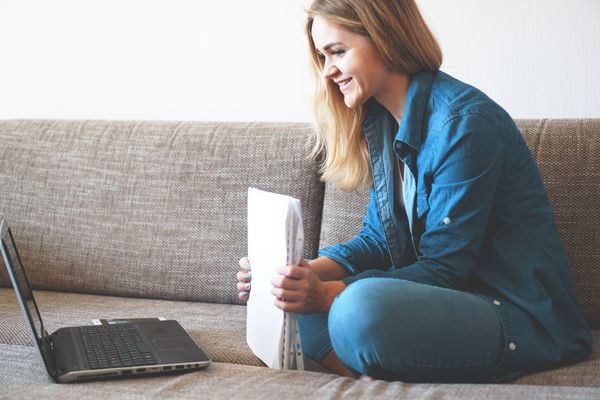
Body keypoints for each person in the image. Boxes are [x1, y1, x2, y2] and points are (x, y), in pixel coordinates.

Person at [237, 0, 592, 383]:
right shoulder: (382, 123)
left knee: (355, 309)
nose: (328, 71)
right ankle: (374, 381)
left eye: (338, 52)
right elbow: (376, 239)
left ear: (386, 37)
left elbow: (445, 269)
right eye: (323, 56)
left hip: (515, 317)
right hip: (444, 306)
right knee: (293, 308)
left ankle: (379, 371)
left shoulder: (464, 124)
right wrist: (295, 277)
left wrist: (326, 295)